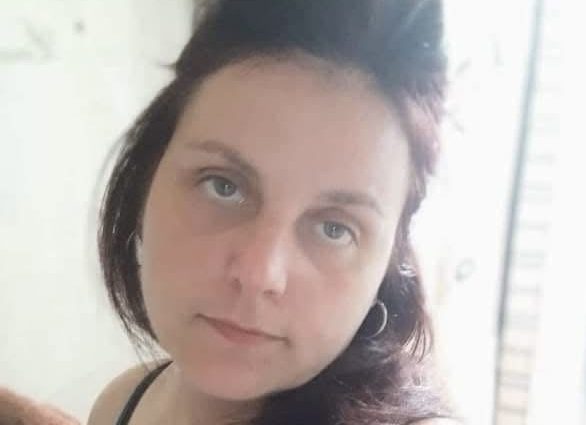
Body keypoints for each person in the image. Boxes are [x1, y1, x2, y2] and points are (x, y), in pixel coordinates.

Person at [88, 0, 456, 424]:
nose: (259, 274)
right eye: (223, 186)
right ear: (147, 180)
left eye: (334, 228)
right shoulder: (122, 401)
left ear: (387, 266)